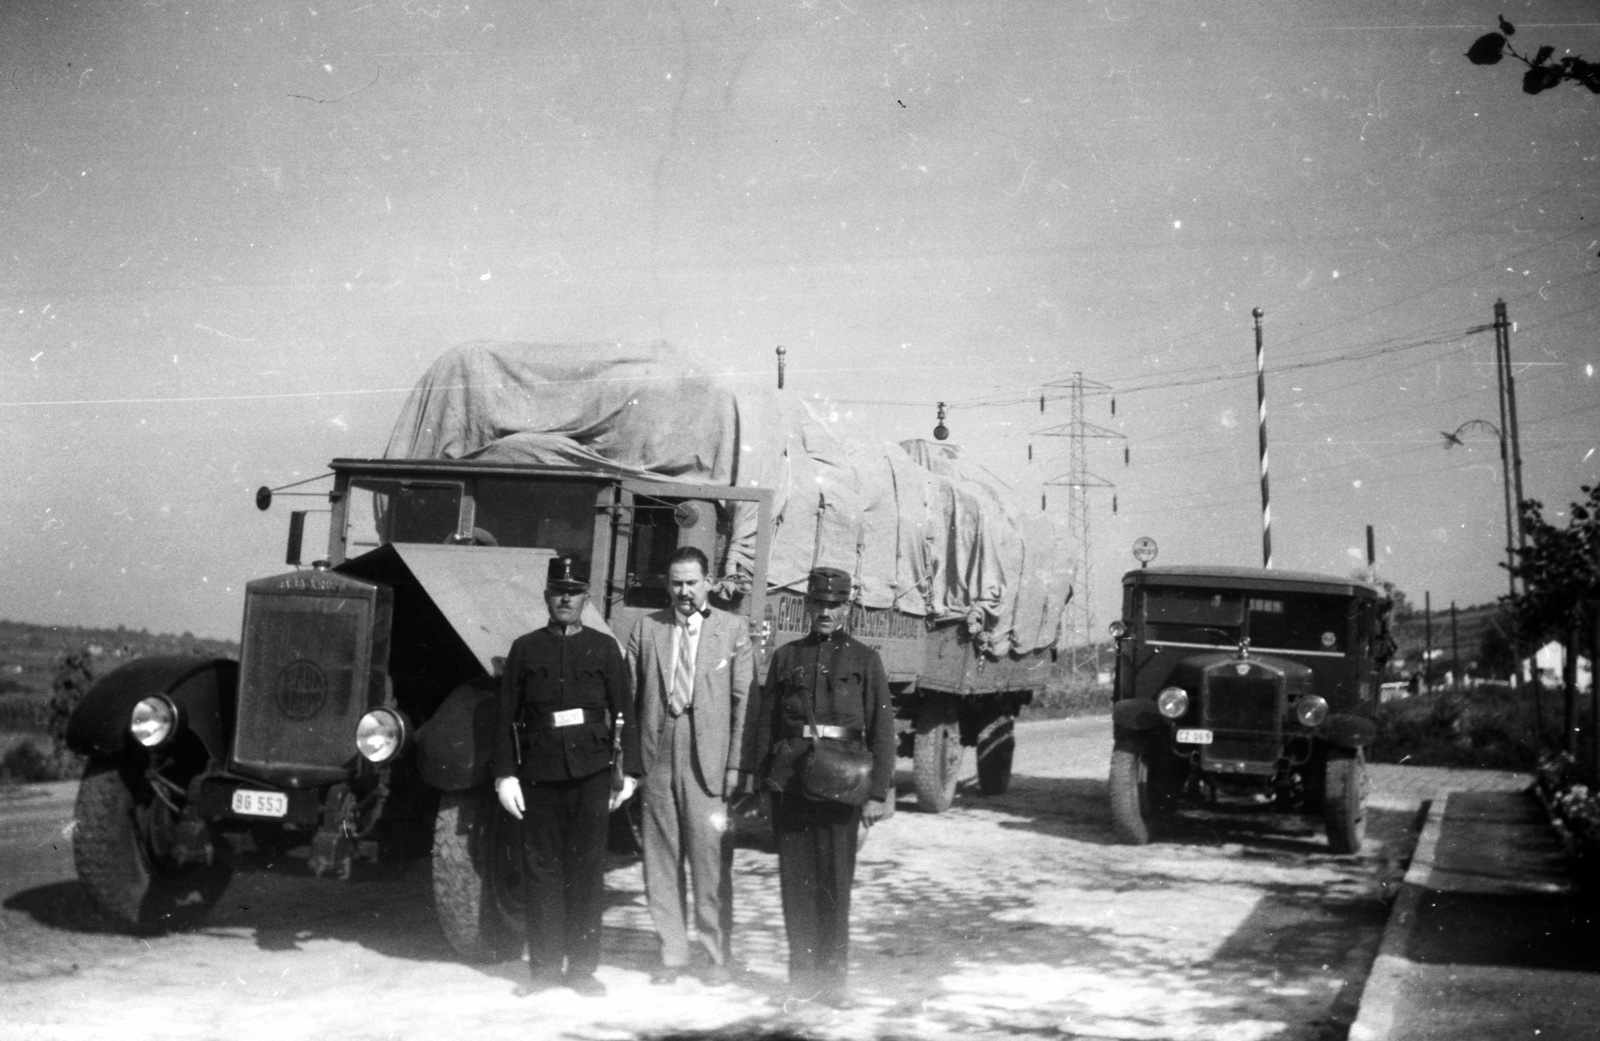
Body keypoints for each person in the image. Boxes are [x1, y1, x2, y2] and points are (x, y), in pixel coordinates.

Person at [492, 554, 640, 998]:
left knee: (586, 870)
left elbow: (625, 710)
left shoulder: (603, 647)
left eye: (573, 592)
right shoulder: (525, 648)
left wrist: (628, 772)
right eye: (558, 591)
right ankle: (542, 970)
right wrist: (505, 776)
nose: (565, 599)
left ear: (586, 597)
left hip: (591, 772)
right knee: (541, 869)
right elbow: (505, 717)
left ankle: (582, 970)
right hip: (539, 773)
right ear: (546, 596)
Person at [749, 565, 895, 1008]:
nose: (826, 612)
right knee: (796, 886)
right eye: (819, 603)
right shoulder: (786, 657)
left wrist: (877, 792)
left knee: (834, 885)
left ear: (846, 607)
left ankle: (833, 985)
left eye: (835, 604)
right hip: (794, 786)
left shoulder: (866, 660)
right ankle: (800, 982)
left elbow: (882, 729)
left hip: (844, 788)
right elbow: (766, 725)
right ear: (807, 605)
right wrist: (761, 786)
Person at [626, 545, 755, 985]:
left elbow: (744, 704)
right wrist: (630, 764)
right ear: (667, 584)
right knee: (660, 859)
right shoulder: (646, 630)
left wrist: (735, 766)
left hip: (709, 761)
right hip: (657, 754)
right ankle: (672, 956)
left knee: (710, 860)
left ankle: (717, 954)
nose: (685, 591)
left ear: (710, 583)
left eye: (692, 582)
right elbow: (629, 698)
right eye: (677, 582)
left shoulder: (734, 629)